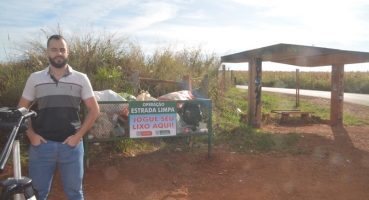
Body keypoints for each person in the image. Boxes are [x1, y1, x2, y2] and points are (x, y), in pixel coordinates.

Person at [18, 35, 100, 200]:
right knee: (37, 194)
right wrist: (31, 134)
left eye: (62, 49)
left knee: (75, 194)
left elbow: (94, 110)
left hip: (71, 148)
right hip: (41, 147)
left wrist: (78, 137)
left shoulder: (81, 78)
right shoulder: (35, 78)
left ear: (67, 52)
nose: (58, 53)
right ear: (47, 52)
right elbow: (21, 108)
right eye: (54, 49)